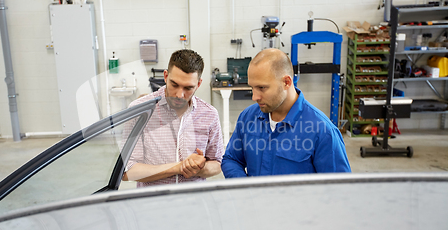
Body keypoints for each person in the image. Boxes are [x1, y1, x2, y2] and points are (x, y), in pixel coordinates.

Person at [222, 48, 351, 177]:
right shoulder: (248, 118)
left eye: (262, 88)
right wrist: (247, 190)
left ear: (286, 82)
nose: (254, 97)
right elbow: (231, 159)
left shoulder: (323, 131)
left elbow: (339, 189)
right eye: (252, 87)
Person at [124, 49, 224, 187]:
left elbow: (217, 164)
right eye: (174, 84)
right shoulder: (139, 110)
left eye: (188, 88)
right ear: (165, 76)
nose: (179, 95)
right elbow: (128, 171)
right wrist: (180, 167)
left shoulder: (209, 114)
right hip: (152, 203)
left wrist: (199, 167)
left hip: (194, 202)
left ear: (199, 84)